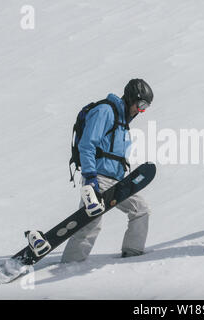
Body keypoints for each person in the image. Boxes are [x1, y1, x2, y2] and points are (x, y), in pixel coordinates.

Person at [61, 79, 154, 262]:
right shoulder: (105, 111)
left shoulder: (122, 121)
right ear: (130, 98)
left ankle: (132, 255)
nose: (141, 110)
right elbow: (87, 145)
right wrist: (90, 177)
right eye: (141, 104)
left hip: (116, 180)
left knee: (141, 210)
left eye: (145, 107)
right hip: (98, 177)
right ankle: (71, 263)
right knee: (91, 222)